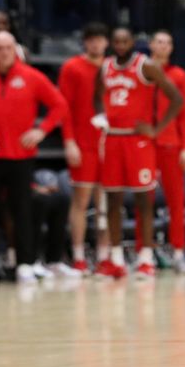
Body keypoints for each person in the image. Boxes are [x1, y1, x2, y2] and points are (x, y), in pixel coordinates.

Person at [93, 27, 183, 280]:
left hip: (138, 142)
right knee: (113, 202)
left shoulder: (146, 66)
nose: (121, 44)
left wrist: (157, 129)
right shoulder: (106, 67)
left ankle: (145, 259)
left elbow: (176, 99)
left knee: (144, 202)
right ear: (112, 43)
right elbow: (97, 97)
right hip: (112, 140)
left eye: (125, 40)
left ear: (132, 42)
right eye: (117, 41)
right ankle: (116, 259)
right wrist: (102, 116)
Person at [0, 32, 68, 283]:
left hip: (21, 156)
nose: (4, 52)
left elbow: (59, 104)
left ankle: (25, 263)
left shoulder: (32, 77)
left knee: (23, 211)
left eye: (8, 47)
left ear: (15, 49)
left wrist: (41, 130)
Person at [58, 23, 111, 275]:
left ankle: (103, 256)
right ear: (85, 42)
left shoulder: (112, 68)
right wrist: (69, 141)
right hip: (83, 143)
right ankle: (78, 255)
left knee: (106, 202)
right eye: (91, 39)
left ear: (106, 42)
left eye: (100, 39)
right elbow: (63, 107)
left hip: (109, 143)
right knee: (81, 200)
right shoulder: (72, 67)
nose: (96, 44)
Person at [150, 30, 185, 272]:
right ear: (151, 45)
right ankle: (144, 254)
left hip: (171, 146)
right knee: (143, 201)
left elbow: (184, 114)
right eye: (159, 41)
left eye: (168, 42)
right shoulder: (143, 73)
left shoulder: (179, 75)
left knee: (176, 201)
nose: (163, 46)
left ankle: (178, 252)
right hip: (146, 145)